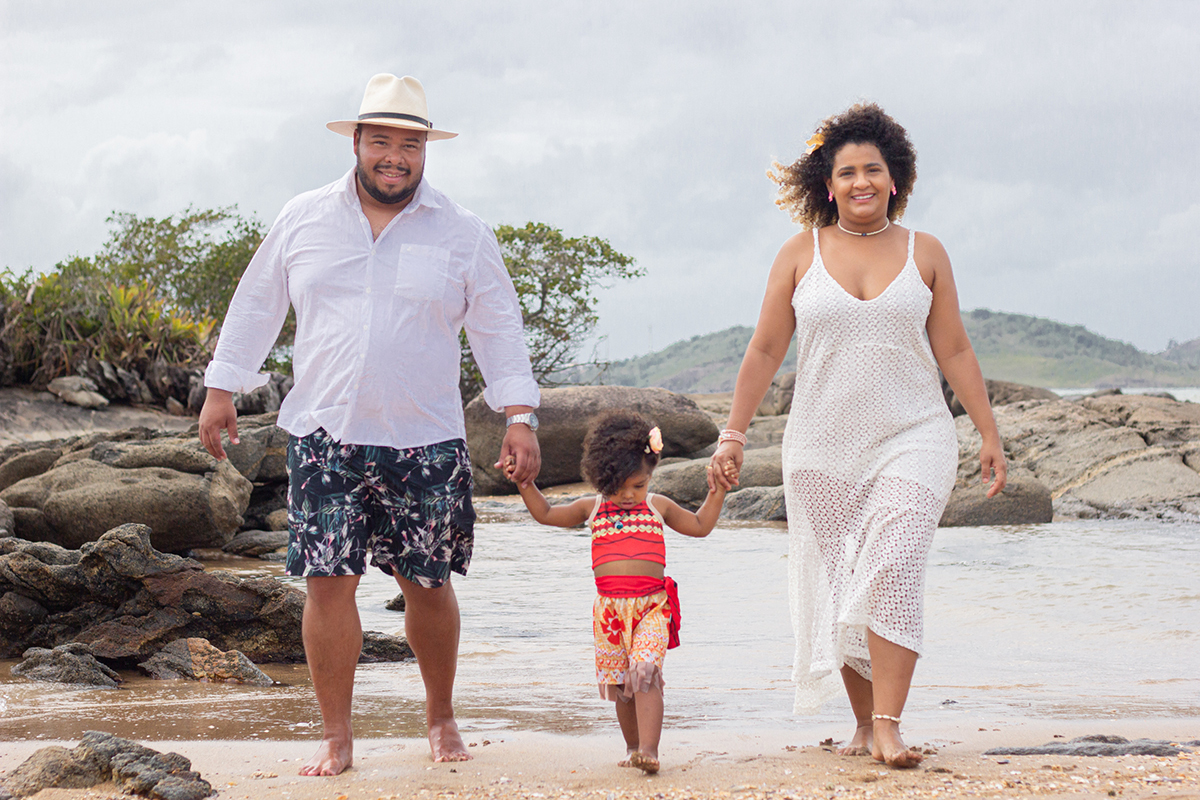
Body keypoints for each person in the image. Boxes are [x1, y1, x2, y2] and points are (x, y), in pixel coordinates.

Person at [198, 73, 542, 776]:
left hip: (426, 435)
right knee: (328, 583)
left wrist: (520, 415)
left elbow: (499, 328)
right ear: (355, 142)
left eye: (409, 144)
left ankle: (441, 717)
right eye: (381, 141)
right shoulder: (304, 217)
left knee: (428, 581)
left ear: (425, 150)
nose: (395, 156)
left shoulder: (463, 232)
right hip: (325, 432)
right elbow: (258, 302)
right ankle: (336, 736)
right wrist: (221, 386)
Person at [707, 103, 1006, 768]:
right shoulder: (798, 254)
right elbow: (763, 351)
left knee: (894, 563)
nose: (861, 181)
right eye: (847, 172)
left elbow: (954, 349)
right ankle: (864, 726)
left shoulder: (925, 252)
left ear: (895, 178)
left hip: (915, 435)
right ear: (829, 183)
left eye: (874, 169)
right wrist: (732, 434)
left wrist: (987, 431)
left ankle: (889, 723)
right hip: (821, 445)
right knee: (842, 584)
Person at [504, 409, 732, 774]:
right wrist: (524, 484)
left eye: (638, 485)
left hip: (652, 609)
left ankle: (650, 749)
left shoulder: (658, 507)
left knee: (645, 671)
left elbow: (701, 525)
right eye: (618, 487)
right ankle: (631, 748)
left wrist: (717, 491)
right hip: (609, 614)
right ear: (600, 480)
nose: (628, 495)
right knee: (623, 686)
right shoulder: (591, 507)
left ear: (652, 473)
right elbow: (546, 514)